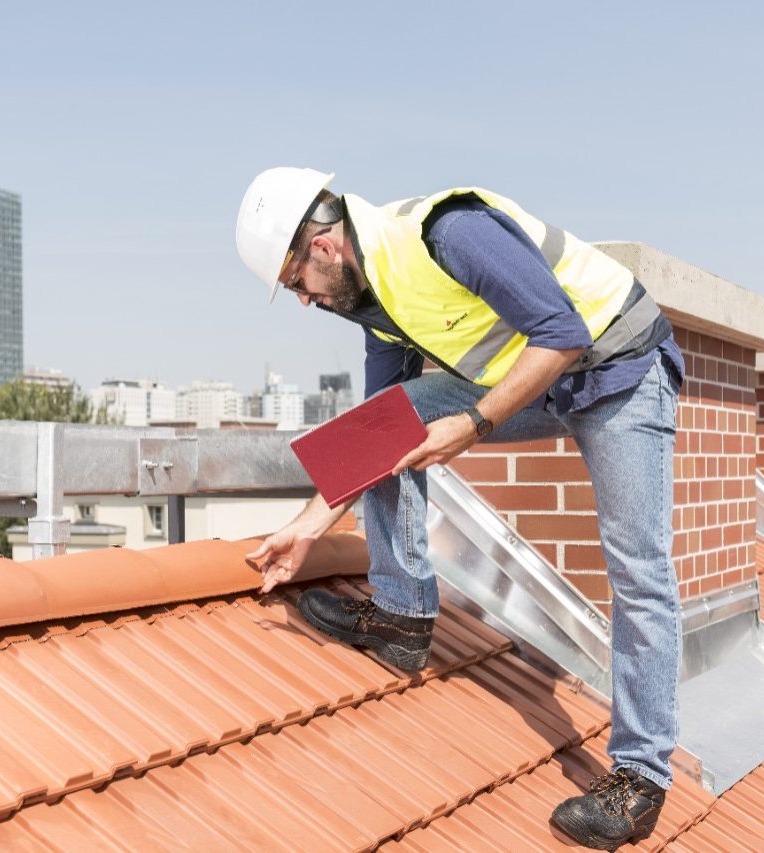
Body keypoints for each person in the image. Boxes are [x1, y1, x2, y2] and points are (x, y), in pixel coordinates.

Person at [236, 167, 684, 850]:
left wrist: (473, 422)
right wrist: (307, 522)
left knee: (637, 568)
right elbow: (379, 425)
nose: (302, 300)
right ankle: (401, 612)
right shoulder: (371, 299)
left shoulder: (450, 233)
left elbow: (561, 334)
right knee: (395, 417)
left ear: (323, 248)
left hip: (619, 368)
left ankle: (638, 778)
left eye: (295, 283)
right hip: (545, 382)